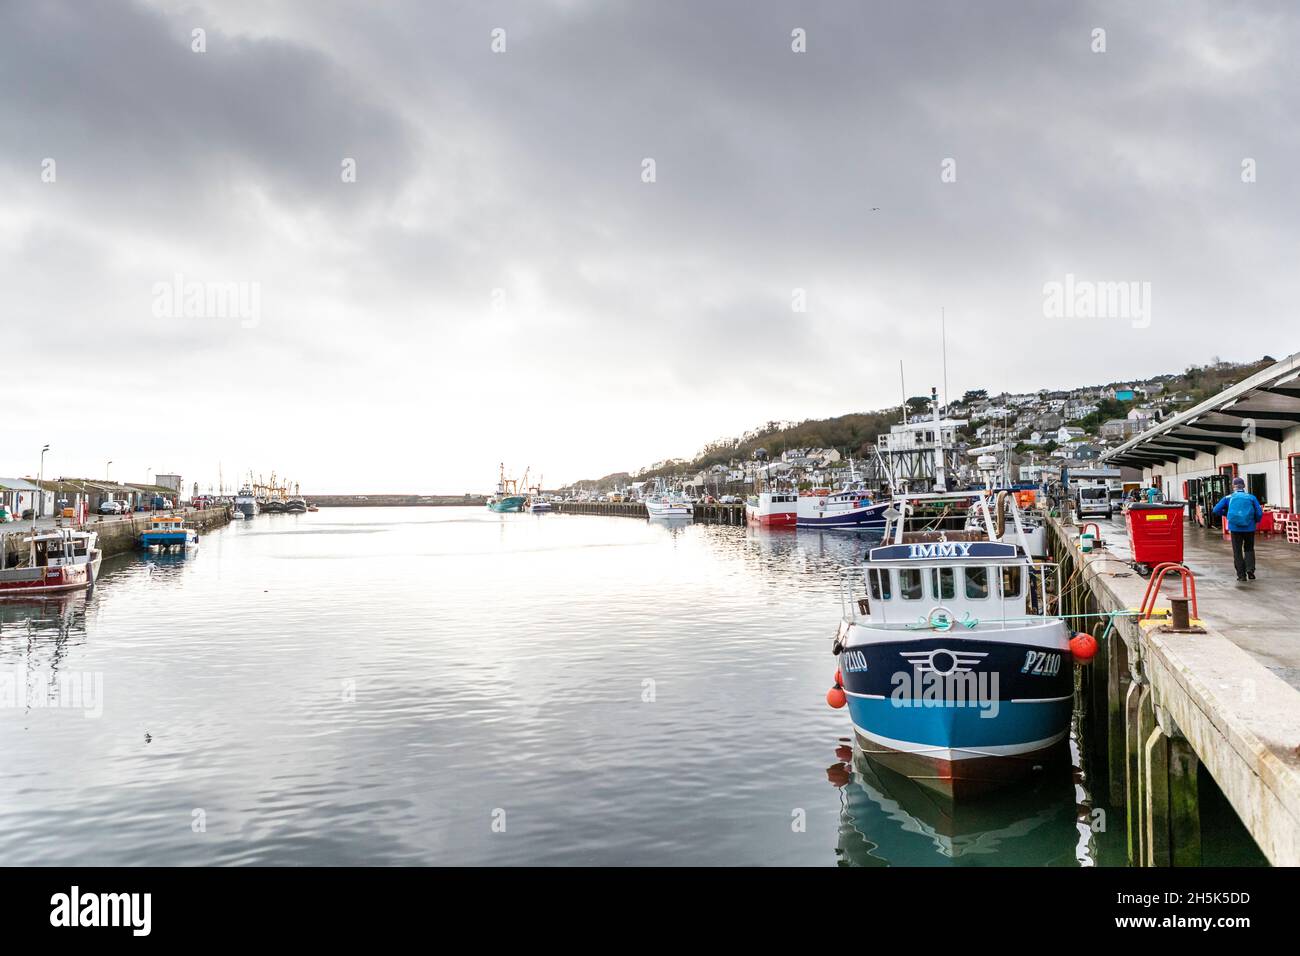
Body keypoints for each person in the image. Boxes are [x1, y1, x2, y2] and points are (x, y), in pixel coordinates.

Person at [1213, 476, 1264, 581]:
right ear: (1244, 486)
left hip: (1235, 528)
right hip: (1249, 528)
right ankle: (1250, 570)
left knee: (1237, 551)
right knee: (1249, 549)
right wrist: (1255, 521)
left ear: (1233, 487)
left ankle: (1241, 575)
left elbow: (1216, 509)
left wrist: (1227, 514)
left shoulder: (1228, 498)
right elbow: (1259, 512)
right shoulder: (1251, 497)